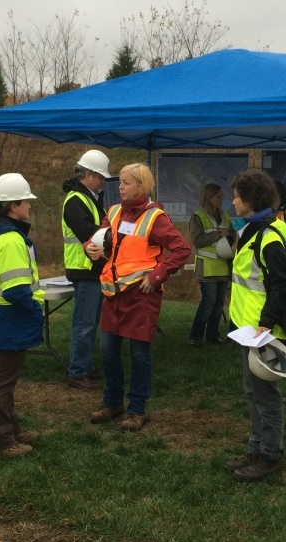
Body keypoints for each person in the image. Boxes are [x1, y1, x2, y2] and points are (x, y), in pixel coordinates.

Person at [85, 163, 190, 432]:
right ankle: (112, 403)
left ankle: (137, 409)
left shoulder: (156, 218)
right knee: (108, 351)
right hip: (113, 293)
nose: (119, 187)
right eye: (119, 182)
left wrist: (156, 276)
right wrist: (91, 249)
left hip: (141, 296)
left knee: (139, 353)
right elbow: (100, 241)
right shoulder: (114, 211)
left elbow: (181, 249)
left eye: (126, 182)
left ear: (142, 187)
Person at [225, 169, 286, 481]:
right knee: (253, 392)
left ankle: (269, 455)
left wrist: (265, 325)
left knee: (265, 396)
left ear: (250, 201)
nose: (232, 202)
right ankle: (256, 449)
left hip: (262, 334)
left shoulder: (269, 237)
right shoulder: (256, 229)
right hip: (249, 330)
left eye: (237, 197)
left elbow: (283, 284)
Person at [0, 173, 45, 458]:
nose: (29, 206)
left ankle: (12, 429)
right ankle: (1, 442)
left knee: (6, 380)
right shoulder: (11, 239)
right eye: (26, 201)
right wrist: (34, 310)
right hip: (10, 318)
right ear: (13, 206)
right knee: (2, 382)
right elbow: (16, 291)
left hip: (0, 316)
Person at [62, 149, 111, 390]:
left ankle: (85, 366)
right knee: (84, 322)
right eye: (100, 176)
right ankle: (77, 371)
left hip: (91, 269)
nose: (103, 181)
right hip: (84, 270)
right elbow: (91, 235)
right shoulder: (76, 200)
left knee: (90, 321)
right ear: (89, 174)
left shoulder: (88, 198)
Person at [189, 183, 236, 347]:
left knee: (218, 304)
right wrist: (218, 234)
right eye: (218, 196)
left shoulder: (224, 215)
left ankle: (212, 336)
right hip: (206, 267)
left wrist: (231, 235)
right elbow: (197, 240)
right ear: (209, 198)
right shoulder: (198, 216)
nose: (222, 199)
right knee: (208, 303)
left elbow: (231, 234)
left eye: (222, 196)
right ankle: (196, 336)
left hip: (223, 266)